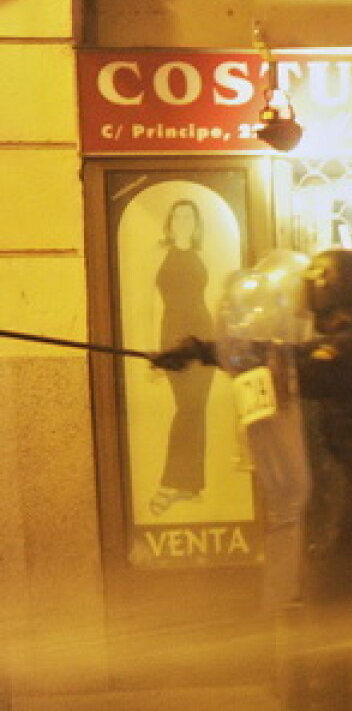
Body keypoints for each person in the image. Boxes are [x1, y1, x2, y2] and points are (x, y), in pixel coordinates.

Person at [154, 248, 352, 711]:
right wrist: (204, 352)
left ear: (328, 290)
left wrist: (204, 351)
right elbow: (293, 362)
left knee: (335, 603)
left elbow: (293, 365)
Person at [151, 199, 216, 517]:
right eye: (178, 215)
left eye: (189, 215)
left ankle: (191, 484)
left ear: (196, 221)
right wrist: (156, 352)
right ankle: (169, 483)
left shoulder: (201, 254)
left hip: (203, 337)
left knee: (197, 410)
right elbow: (149, 305)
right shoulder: (159, 254)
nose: (183, 221)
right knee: (187, 409)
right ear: (171, 221)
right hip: (174, 339)